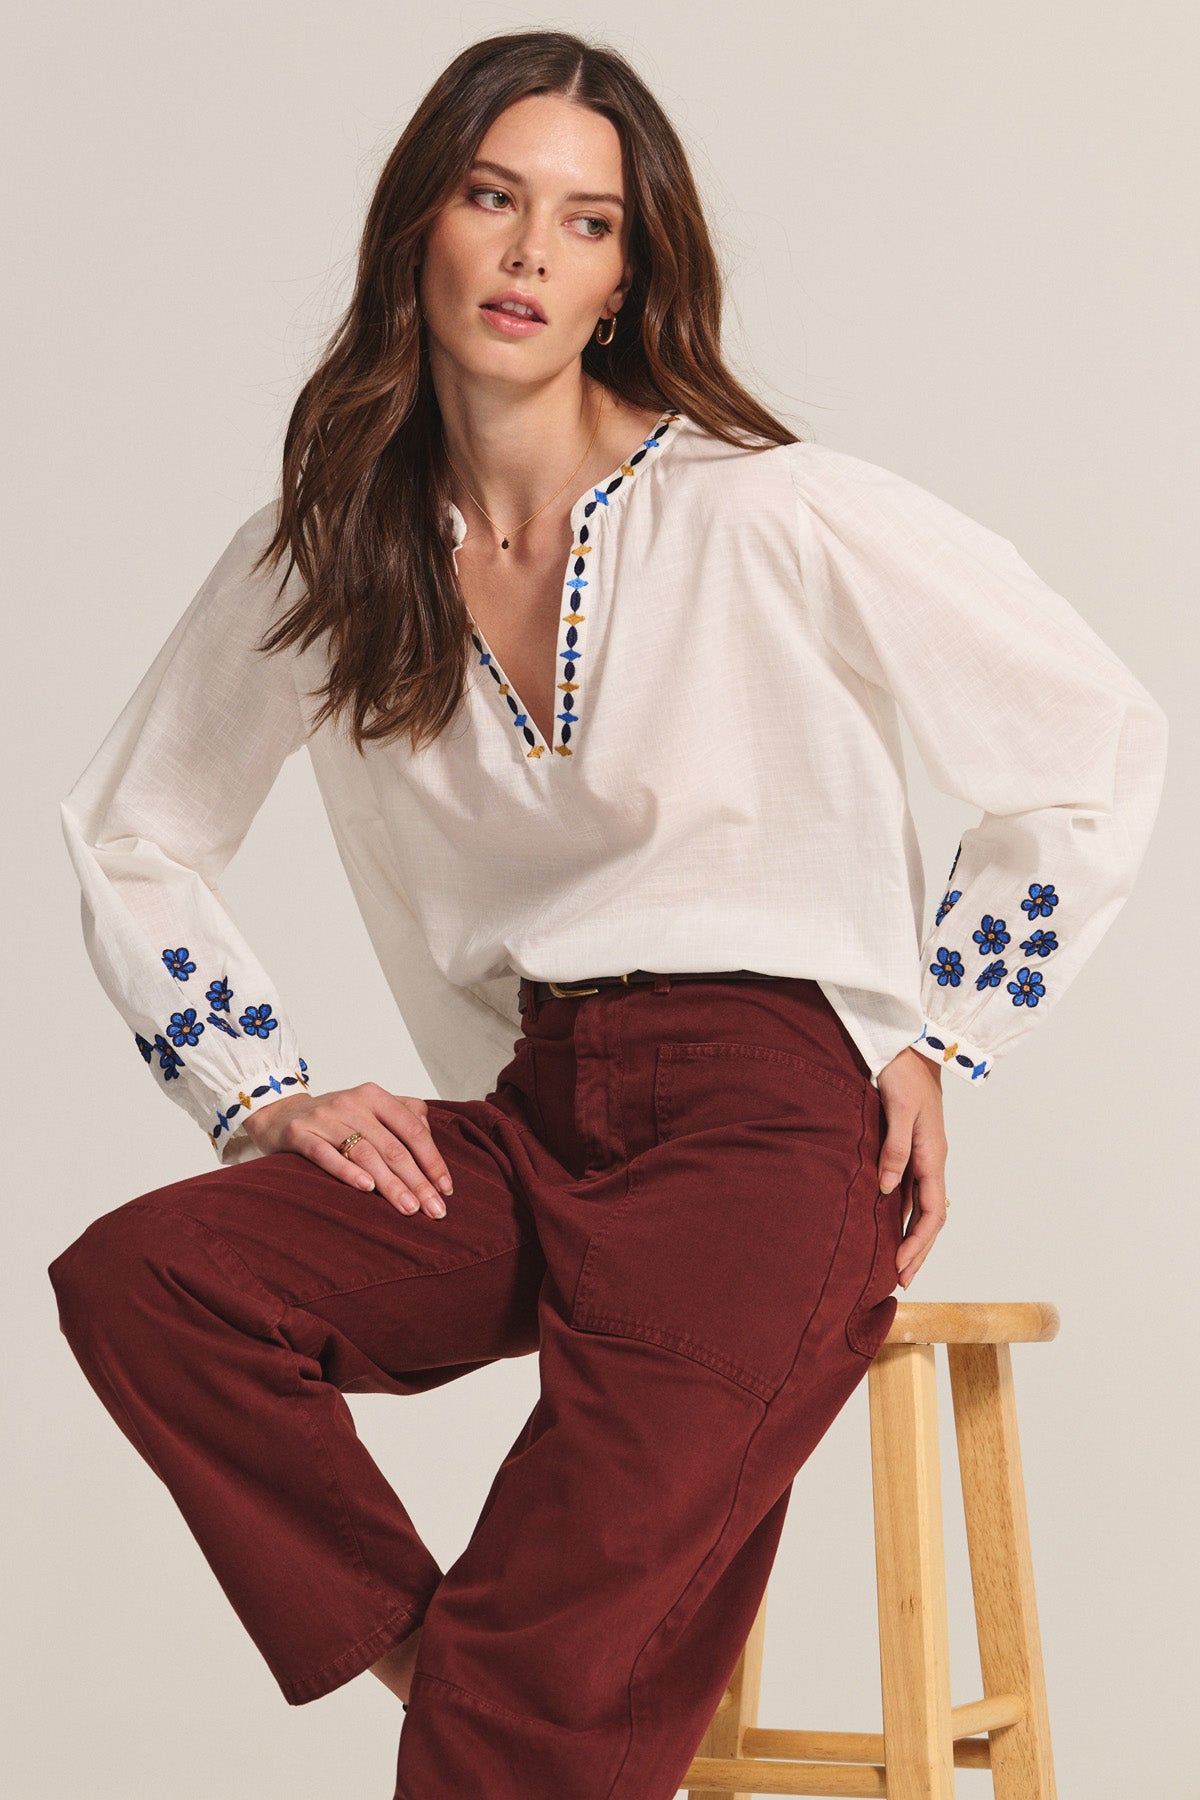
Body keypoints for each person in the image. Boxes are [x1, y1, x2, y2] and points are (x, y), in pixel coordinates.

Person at [46, 28, 1168, 1800]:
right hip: (528, 1116)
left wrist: (940, 1038)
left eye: (583, 223)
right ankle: (463, 1671)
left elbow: (1090, 741)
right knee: (151, 1282)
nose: (527, 255)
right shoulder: (333, 552)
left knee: (539, 1661)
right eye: (495, 199)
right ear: (423, 221)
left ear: (627, 277)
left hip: (767, 1126)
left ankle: (496, 1688)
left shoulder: (763, 513)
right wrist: (267, 1095)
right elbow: (130, 833)